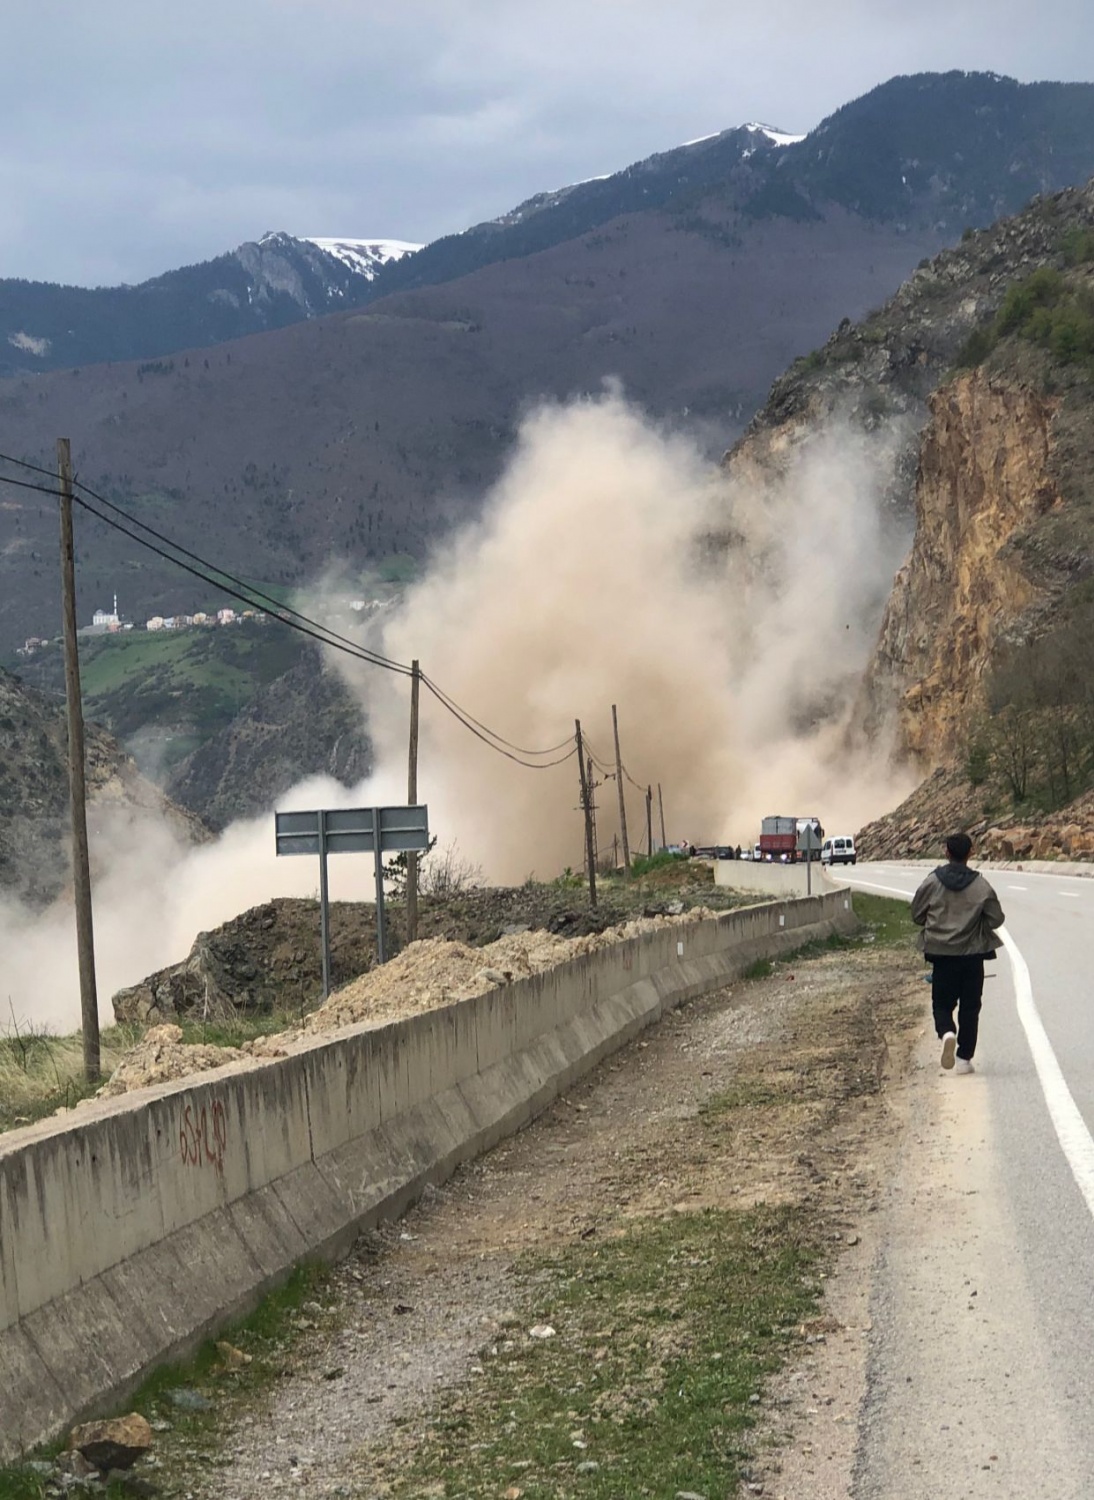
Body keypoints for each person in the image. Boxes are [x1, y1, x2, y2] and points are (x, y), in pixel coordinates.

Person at [911, 833, 1005, 1074]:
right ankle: (964, 1059)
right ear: (971, 853)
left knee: (941, 1004)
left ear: (946, 852)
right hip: (973, 956)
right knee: (971, 1007)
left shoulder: (932, 882)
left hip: (942, 956)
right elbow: (996, 919)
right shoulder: (981, 885)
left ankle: (947, 1032)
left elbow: (917, 915)